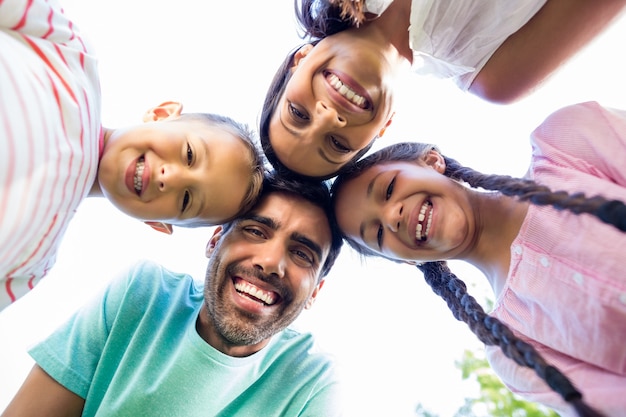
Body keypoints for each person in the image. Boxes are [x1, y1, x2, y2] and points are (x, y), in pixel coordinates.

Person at [330, 101, 626, 416]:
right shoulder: (512, 350)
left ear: (431, 161)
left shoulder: (566, 143)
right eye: (377, 234)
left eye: (388, 189)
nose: (392, 216)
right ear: (406, 261)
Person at [1, 173, 344, 417]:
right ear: (214, 241)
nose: (271, 263)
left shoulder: (310, 381)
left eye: (303, 254)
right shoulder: (142, 294)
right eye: (255, 231)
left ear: (316, 291)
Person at [0, 0, 264, 310]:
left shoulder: (35, 260)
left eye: (186, 201)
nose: (171, 177)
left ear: (156, 223)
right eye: (189, 154)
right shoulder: (72, 54)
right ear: (162, 113)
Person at [259, 0, 626, 179]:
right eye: (338, 144)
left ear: (299, 60)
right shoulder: (493, 72)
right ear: (383, 128)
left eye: (298, 114)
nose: (327, 117)